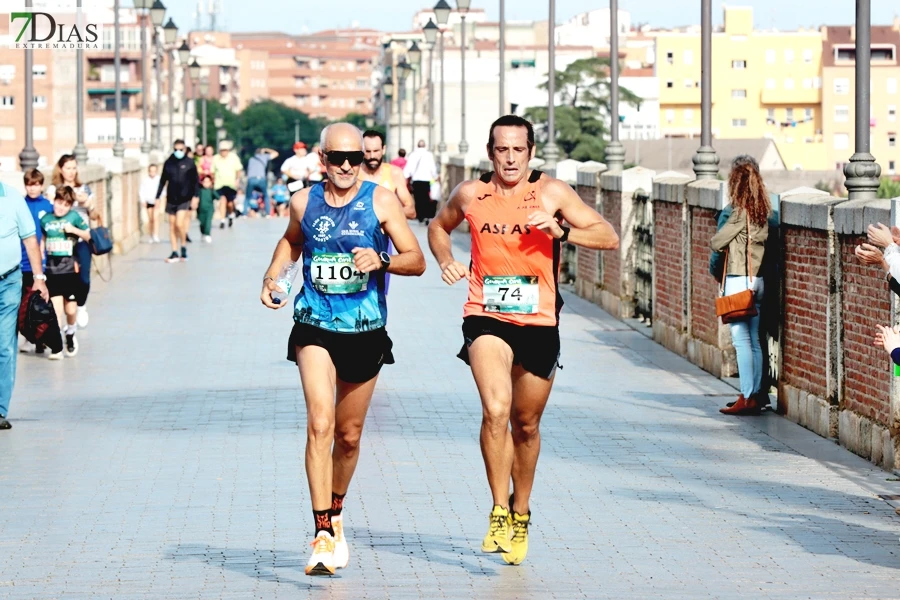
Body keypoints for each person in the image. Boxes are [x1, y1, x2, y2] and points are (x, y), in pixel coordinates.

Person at [427, 115, 619, 565]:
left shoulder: (551, 193)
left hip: (539, 322)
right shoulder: (471, 194)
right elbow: (439, 227)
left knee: (525, 424)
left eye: (518, 150)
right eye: (501, 150)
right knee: (496, 408)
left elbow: (608, 236)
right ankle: (497, 510)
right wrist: (445, 259)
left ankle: (521, 510)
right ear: (489, 152)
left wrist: (562, 232)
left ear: (530, 152)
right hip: (486, 315)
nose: (510, 158)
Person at [259, 123, 426, 576]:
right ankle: (322, 534)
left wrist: (384, 259)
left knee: (348, 437)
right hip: (314, 322)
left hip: (365, 327)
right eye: (338, 158)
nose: (348, 165)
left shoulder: (380, 200)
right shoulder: (303, 201)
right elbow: (292, 242)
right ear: (322, 158)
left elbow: (417, 259)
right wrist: (272, 277)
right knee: (320, 423)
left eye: (355, 157)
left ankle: (336, 509)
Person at [710, 155, 770, 415]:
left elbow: (716, 242)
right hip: (758, 280)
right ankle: (755, 393)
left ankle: (746, 396)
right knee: (754, 340)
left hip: (738, 280)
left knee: (740, 340)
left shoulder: (738, 213)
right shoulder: (762, 213)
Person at [0, 179, 49, 430]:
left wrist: (40, 278)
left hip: (8, 280)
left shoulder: (12, 198)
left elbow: (30, 239)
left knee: (5, 345)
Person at [46, 154, 97, 330]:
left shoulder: (84, 188)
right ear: (60, 169)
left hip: (80, 239)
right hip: (60, 241)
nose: (71, 172)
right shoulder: (54, 190)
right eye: (68, 168)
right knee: (64, 280)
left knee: (84, 278)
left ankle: (81, 306)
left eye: (74, 168)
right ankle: (69, 315)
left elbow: (95, 215)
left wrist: (87, 203)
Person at [41, 186, 91, 359]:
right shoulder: (46, 219)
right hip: (52, 271)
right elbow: (42, 241)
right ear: (54, 201)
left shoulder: (74, 217)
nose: (61, 207)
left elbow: (88, 236)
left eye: (65, 204)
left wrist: (73, 230)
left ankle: (70, 333)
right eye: (58, 203)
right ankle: (57, 348)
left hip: (70, 271)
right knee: (55, 312)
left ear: (70, 206)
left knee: (71, 311)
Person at [18, 169, 53, 355]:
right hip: (21, 262)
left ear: (41, 185)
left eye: (36, 185)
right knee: (23, 303)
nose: (33, 189)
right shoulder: (20, 204)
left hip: (41, 263)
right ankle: (25, 336)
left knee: (39, 302)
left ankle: (41, 339)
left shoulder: (47, 206)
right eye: (29, 185)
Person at [157, 139, 200, 263]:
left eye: (180, 150)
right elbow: (162, 181)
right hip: (171, 198)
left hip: (185, 198)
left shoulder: (190, 163)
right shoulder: (168, 163)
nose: (178, 152)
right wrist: (157, 197)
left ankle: (183, 246)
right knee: (171, 225)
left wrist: (195, 197)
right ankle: (174, 251)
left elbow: (195, 181)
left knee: (179, 224)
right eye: (176, 150)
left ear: (185, 149)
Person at [359, 130, 415, 220]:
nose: (372, 156)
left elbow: (411, 211)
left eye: (376, 151)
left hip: (387, 233)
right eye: (368, 151)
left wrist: (382, 214)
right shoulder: (355, 174)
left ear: (383, 150)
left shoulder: (394, 173)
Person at [404, 139, 439, 224]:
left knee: (418, 198)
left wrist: (404, 176)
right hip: (426, 180)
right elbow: (432, 167)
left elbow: (409, 168)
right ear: (425, 146)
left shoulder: (413, 155)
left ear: (417, 145)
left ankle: (420, 216)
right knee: (426, 198)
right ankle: (426, 215)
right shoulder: (429, 155)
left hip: (416, 180)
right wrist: (435, 176)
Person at [213, 140, 244, 229]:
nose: (224, 152)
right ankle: (222, 220)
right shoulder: (216, 158)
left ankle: (230, 214)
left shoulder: (233, 157)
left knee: (230, 203)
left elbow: (238, 169)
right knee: (222, 200)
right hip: (219, 184)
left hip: (231, 184)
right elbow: (213, 171)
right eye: (222, 150)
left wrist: (237, 179)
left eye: (225, 150)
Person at [246, 147, 279, 218]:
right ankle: (268, 213)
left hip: (251, 178)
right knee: (266, 196)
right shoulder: (264, 157)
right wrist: (267, 149)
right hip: (261, 178)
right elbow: (276, 154)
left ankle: (244, 213)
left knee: (247, 197)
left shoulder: (251, 159)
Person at [139, 164, 162, 243]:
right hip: (148, 201)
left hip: (156, 201)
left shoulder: (159, 180)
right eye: (151, 171)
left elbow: (163, 190)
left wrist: (159, 199)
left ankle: (156, 234)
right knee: (150, 219)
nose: (152, 173)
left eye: (154, 171)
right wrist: (143, 200)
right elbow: (142, 191)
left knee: (155, 218)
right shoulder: (145, 180)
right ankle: (151, 235)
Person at [197, 175, 218, 243]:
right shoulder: (199, 191)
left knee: (208, 222)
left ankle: (208, 234)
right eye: (204, 182)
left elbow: (218, 197)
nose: (206, 183)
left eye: (208, 182)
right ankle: (203, 233)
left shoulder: (211, 191)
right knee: (202, 223)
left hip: (209, 209)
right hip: (200, 210)